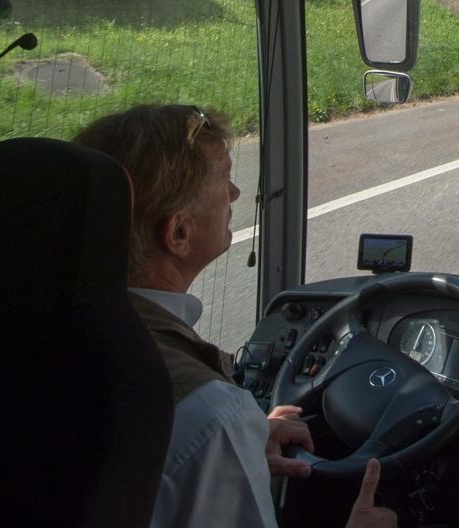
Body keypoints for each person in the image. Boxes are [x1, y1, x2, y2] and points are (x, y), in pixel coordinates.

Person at [74, 104, 396, 528]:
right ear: (178, 233)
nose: (236, 194)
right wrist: (225, 438)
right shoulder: (209, 415)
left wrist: (239, 444)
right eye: (223, 177)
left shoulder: (23, 330)